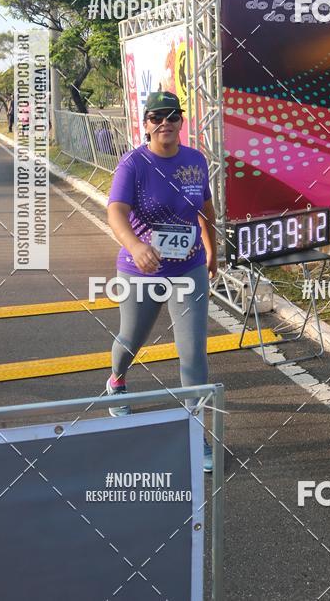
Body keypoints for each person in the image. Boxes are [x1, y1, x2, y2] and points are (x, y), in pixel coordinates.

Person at [106, 90, 218, 472]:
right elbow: (116, 212)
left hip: (189, 269)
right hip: (142, 270)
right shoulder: (133, 164)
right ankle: (117, 381)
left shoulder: (195, 160)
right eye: (157, 116)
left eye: (172, 115)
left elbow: (206, 209)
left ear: (181, 121)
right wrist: (136, 246)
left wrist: (212, 250)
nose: (165, 122)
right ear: (146, 124)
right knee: (130, 339)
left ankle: (196, 430)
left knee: (193, 354)